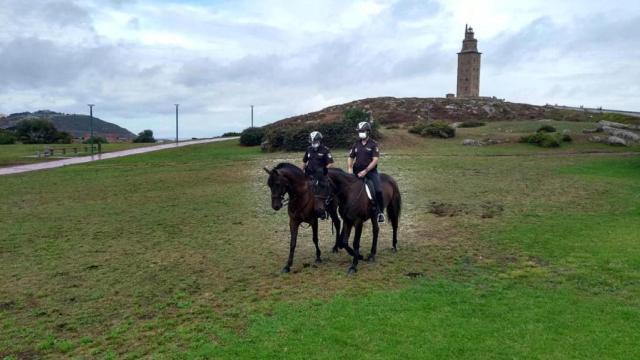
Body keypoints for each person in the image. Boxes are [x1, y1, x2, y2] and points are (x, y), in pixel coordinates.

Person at [347, 121, 385, 223]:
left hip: (371, 172)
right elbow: (350, 157)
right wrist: (350, 168)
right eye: (359, 131)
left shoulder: (373, 144)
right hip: (356, 172)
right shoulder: (356, 143)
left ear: (368, 132)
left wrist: (366, 171)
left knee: (378, 190)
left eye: (362, 131)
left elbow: (375, 160)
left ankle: (380, 212)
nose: (360, 133)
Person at [302, 131, 334, 218]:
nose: (313, 143)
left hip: (320, 176)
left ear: (319, 141)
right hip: (309, 174)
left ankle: (322, 210)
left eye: (315, 141)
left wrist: (324, 171)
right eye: (312, 142)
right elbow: (304, 161)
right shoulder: (308, 149)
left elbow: (330, 163)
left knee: (321, 192)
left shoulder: (325, 150)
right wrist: (302, 171)